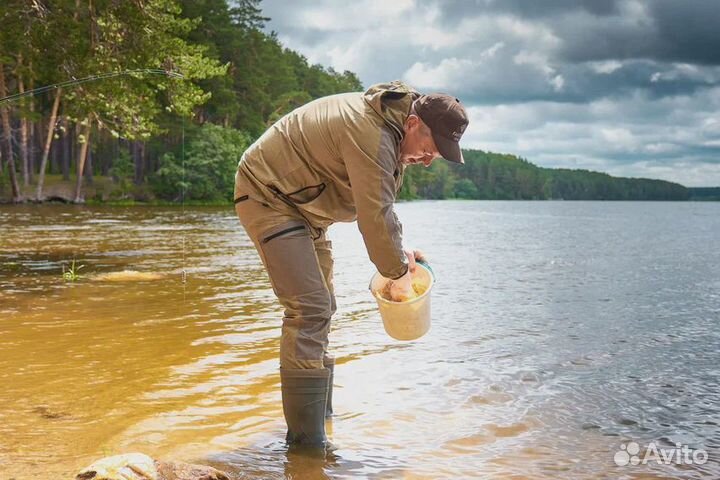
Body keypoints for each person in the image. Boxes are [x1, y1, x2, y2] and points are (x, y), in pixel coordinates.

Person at [233, 80, 468, 448]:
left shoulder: (391, 134)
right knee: (309, 309)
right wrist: (397, 275)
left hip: (305, 213)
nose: (427, 159)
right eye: (429, 148)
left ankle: (321, 426)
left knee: (325, 308)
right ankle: (306, 448)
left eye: (435, 156)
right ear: (413, 124)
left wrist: (403, 260)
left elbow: (383, 210)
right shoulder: (372, 131)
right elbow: (373, 217)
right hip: (268, 197)